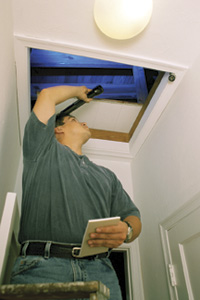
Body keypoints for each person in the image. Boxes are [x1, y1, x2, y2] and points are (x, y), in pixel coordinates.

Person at [11, 85, 142, 300]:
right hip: (43, 267)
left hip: (101, 271)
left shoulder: (106, 175)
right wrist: (78, 91)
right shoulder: (42, 151)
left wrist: (127, 231)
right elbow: (47, 95)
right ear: (57, 129)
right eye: (74, 120)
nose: (84, 122)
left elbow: (134, 216)